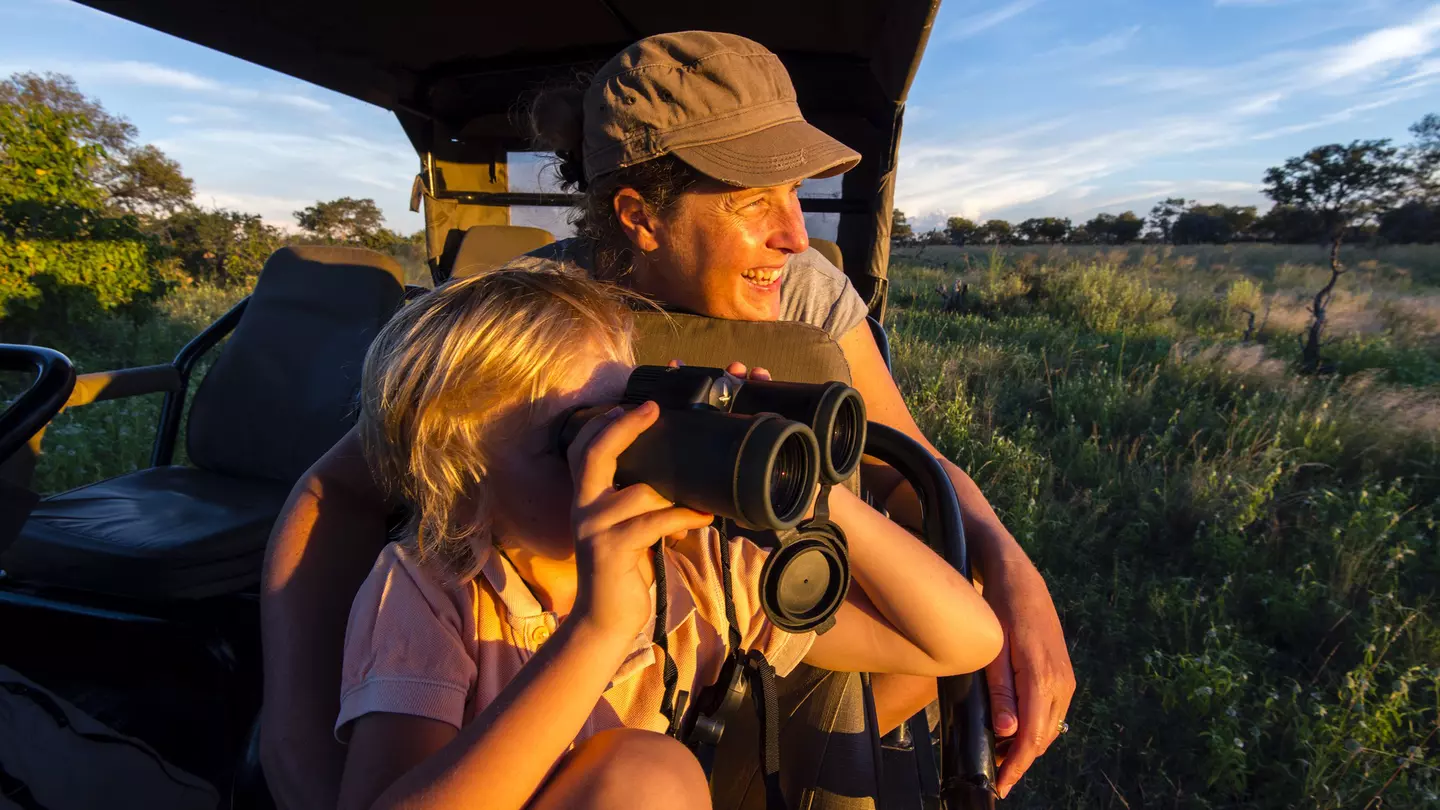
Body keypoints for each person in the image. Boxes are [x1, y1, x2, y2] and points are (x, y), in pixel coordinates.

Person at [260, 31, 1073, 809]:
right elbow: (347, 486)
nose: (796, 236)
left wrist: (1011, 571)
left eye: (797, 193)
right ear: (639, 216)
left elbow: (907, 466)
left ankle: (793, 771)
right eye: (754, 201)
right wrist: (300, 758)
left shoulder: (800, 296)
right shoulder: (533, 322)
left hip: (704, 669)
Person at [333, 269, 1003, 810]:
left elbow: (963, 640)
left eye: (632, 415)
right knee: (644, 772)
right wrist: (598, 630)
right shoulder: (430, 592)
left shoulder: (697, 570)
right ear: (461, 480)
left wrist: (813, 492)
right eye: (577, 438)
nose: (624, 454)